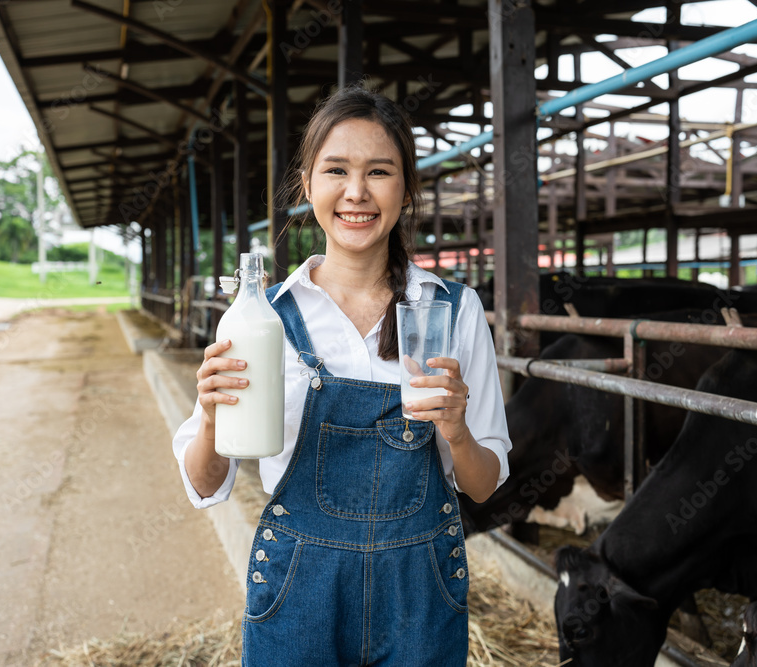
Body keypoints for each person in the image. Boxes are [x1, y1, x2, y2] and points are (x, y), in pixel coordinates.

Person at [172, 85, 512, 666]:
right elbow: (207, 484)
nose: (356, 192)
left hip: (420, 595)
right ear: (308, 185)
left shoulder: (454, 310)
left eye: (379, 171)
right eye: (336, 170)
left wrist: (456, 430)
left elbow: (484, 484)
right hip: (300, 589)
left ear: (406, 189)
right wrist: (209, 416)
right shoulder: (263, 318)